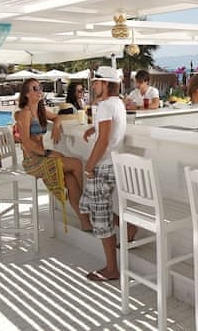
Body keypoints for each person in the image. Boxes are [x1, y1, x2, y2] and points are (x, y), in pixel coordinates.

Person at [14, 78, 92, 232]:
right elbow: (26, 143)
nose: (39, 91)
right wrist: (48, 152)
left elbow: (57, 117)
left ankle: (85, 222)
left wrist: (56, 125)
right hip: (32, 161)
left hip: (43, 157)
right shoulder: (25, 113)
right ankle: (86, 203)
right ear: (26, 94)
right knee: (76, 163)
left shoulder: (40, 111)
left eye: (40, 87)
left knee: (70, 180)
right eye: (35, 88)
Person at [79, 66, 135, 282]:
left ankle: (112, 269)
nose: (93, 85)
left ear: (106, 84)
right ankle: (128, 227)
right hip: (114, 164)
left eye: (97, 82)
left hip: (102, 166)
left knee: (100, 219)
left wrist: (89, 166)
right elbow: (110, 129)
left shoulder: (104, 106)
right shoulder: (117, 103)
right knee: (90, 205)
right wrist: (94, 128)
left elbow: (103, 142)